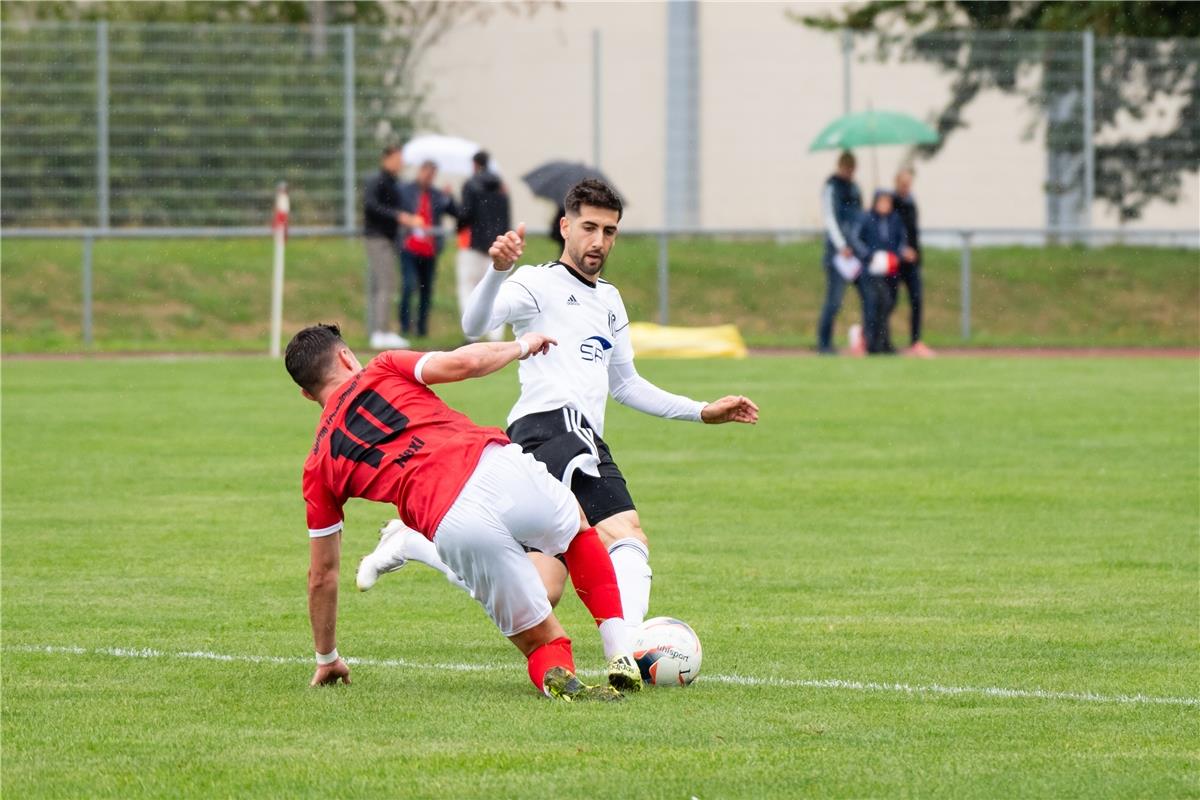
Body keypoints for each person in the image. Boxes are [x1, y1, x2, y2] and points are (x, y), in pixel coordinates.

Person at [359, 179, 759, 635]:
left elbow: (626, 385)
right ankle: (628, 649)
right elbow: (474, 324)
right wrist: (496, 271)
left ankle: (412, 543)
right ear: (566, 226)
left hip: (539, 442)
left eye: (609, 231)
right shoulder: (537, 282)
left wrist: (701, 410)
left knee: (537, 589)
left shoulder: (609, 300)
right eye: (589, 227)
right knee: (625, 534)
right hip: (556, 427)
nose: (599, 241)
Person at [285, 323, 642, 700]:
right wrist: (522, 345)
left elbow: (322, 575)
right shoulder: (383, 366)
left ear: (308, 394)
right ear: (345, 356)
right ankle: (618, 651)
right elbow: (464, 362)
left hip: (451, 521)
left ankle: (560, 675)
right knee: (576, 533)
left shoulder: (319, 464)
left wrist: (327, 656)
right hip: (495, 467)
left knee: (540, 641)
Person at [363, 146, 421, 350]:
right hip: (378, 238)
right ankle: (380, 331)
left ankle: (384, 330)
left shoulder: (394, 183)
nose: (400, 163)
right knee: (385, 284)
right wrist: (398, 216)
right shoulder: (375, 180)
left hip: (389, 238)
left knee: (386, 284)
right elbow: (371, 206)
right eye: (397, 159)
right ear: (386, 158)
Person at [817, 151, 871, 356]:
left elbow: (860, 218)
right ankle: (824, 342)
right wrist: (841, 246)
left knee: (868, 296)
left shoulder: (855, 188)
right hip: (838, 255)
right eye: (846, 168)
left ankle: (869, 340)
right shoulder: (832, 187)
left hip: (855, 252)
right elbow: (830, 218)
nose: (849, 172)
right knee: (834, 300)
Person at [398, 161, 459, 339]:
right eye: (427, 172)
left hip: (429, 249)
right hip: (409, 247)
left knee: (426, 290)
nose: (429, 177)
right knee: (409, 285)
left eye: (432, 174)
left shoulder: (438, 195)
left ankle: (421, 329)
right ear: (420, 171)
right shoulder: (406, 190)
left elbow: (455, 212)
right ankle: (404, 327)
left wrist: (449, 198)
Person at [456, 151, 510, 342]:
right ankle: (495, 335)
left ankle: (471, 335)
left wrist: (449, 206)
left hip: (474, 245)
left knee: (468, 289)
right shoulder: (501, 187)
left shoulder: (471, 185)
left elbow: (464, 215)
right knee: (495, 290)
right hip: (496, 246)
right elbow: (506, 218)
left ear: (475, 164)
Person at [854, 190, 908, 354]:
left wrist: (897, 256)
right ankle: (871, 344)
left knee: (887, 305)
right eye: (882, 202)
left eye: (887, 202)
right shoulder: (867, 219)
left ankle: (884, 343)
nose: (885, 206)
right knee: (871, 306)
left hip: (889, 271)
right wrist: (868, 256)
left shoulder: (895, 220)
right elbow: (855, 239)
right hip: (871, 271)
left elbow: (901, 240)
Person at [892, 168, 935, 358]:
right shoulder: (891, 203)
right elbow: (889, 233)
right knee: (889, 303)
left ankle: (916, 341)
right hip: (895, 262)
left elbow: (913, 233)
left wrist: (917, 255)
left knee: (917, 300)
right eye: (903, 183)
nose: (906, 186)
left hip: (912, 262)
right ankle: (877, 339)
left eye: (908, 183)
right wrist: (901, 250)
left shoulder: (911, 203)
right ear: (897, 182)